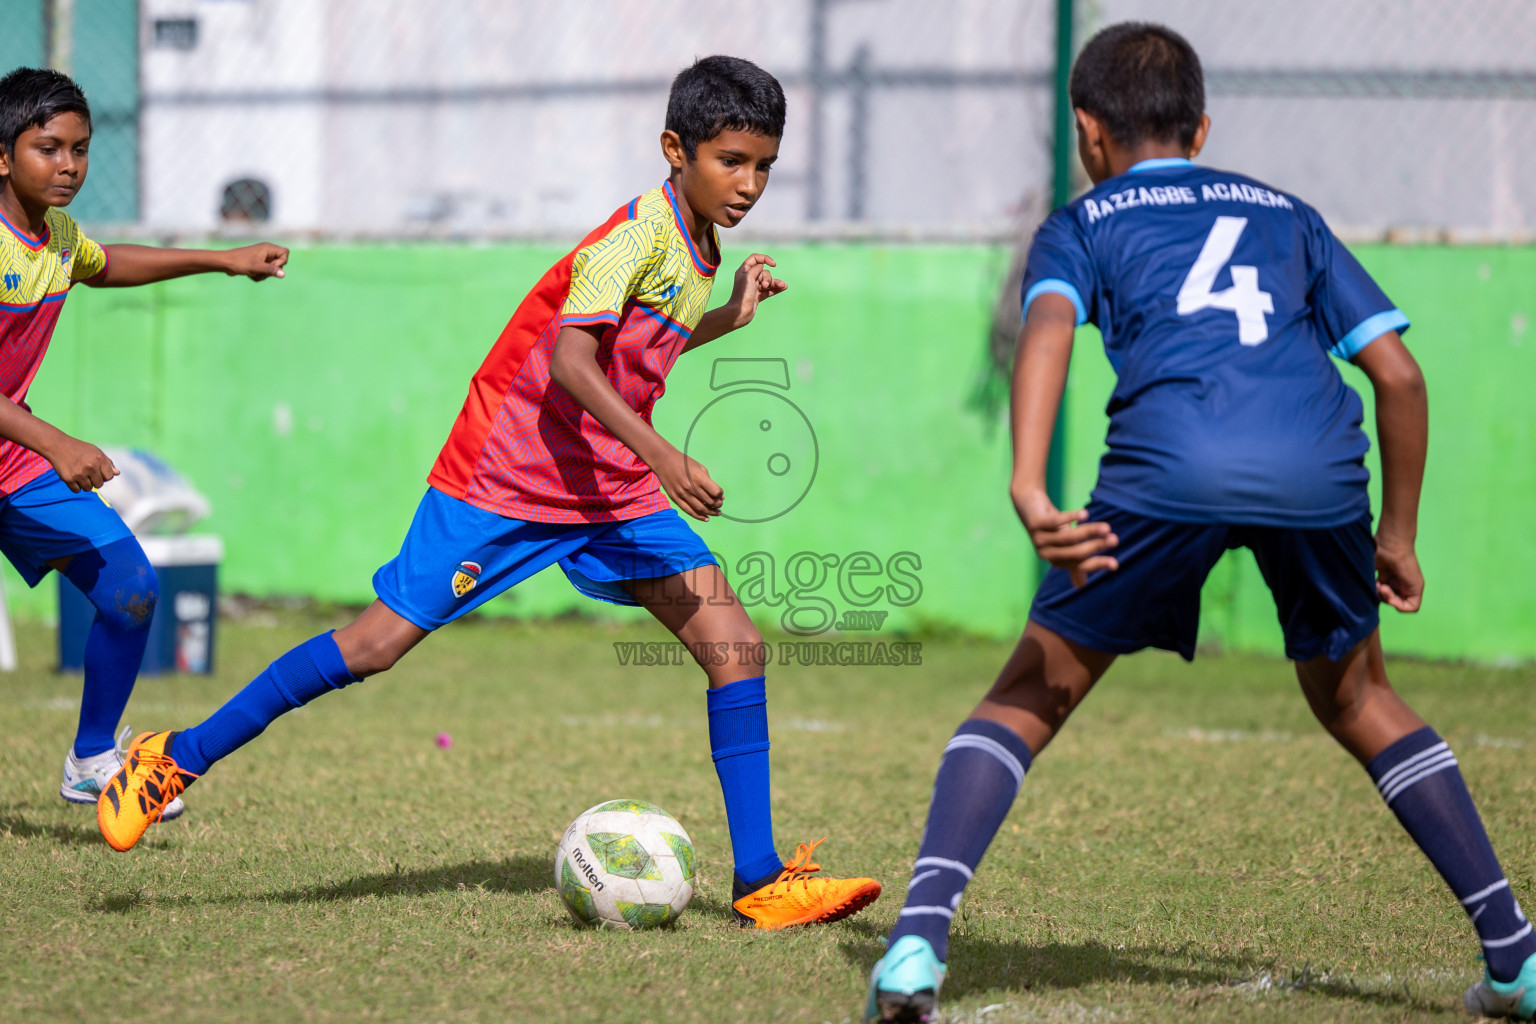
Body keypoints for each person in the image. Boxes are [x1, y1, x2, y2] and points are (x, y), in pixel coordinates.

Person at [97, 55, 881, 932]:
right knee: (375, 644)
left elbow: (635, 352)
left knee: (733, 645)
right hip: (508, 476)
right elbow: (570, 361)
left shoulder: (700, 242)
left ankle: (761, 879)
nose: (750, 184)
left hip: (608, 487)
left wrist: (727, 317)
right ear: (675, 149)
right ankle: (175, 758)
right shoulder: (629, 239)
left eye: (764, 165)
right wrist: (663, 453)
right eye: (732, 161)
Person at [865, 22, 1534, 1023]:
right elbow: (1396, 370)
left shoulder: (1085, 221)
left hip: (1167, 467)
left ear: (1087, 131)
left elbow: (1047, 325)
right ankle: (1516, 955)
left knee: (1024, 697)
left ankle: (916, 947)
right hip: (1319, 468)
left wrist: (1029, 486)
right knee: (1360, 698)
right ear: (1203, 127)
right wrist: (1396, 532)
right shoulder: (1289, 214)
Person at [0, 67, 287, 820]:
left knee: (130, 586)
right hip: (29, 444)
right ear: (2, 156)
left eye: (81, 149)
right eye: (47, 148)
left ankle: (92, 758)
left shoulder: (55, 237)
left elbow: (105, 263)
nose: (68, 165)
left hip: (10, 463)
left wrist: (221, 259)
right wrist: (54, 439)